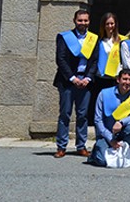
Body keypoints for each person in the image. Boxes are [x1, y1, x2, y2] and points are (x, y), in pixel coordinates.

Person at [54, 9, 97, 158]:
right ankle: (61, 146)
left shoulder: (93, 39)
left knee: (83, 115)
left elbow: (95, 61)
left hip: (85, 82)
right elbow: (60, 59)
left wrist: (88, 78)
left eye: (85, 20)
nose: (83, 23)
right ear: (74, 21)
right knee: (65, 114)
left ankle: (81, 146)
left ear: (89, 21)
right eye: (80, 20)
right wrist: (72, 78)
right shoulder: (65, 37)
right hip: (68, 82)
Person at [88, 69, 130, 166]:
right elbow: (98, 120)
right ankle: (95, 152)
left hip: (124, 131)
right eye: (125, 79)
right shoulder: (104, 94)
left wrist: (121, 122)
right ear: (118, 80)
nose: (127, 82)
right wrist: (110, 139)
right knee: (103, 162)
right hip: (107, 133)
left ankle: (126, 149)